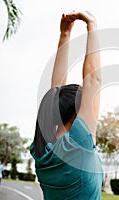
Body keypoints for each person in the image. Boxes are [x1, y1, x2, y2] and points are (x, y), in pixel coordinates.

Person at [30, 11, 103, 200]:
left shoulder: (42, 150)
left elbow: (56, 92)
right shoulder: (78, 144)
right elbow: (93, 80)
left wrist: (65, 35)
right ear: (77, 112)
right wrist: (91, 25)